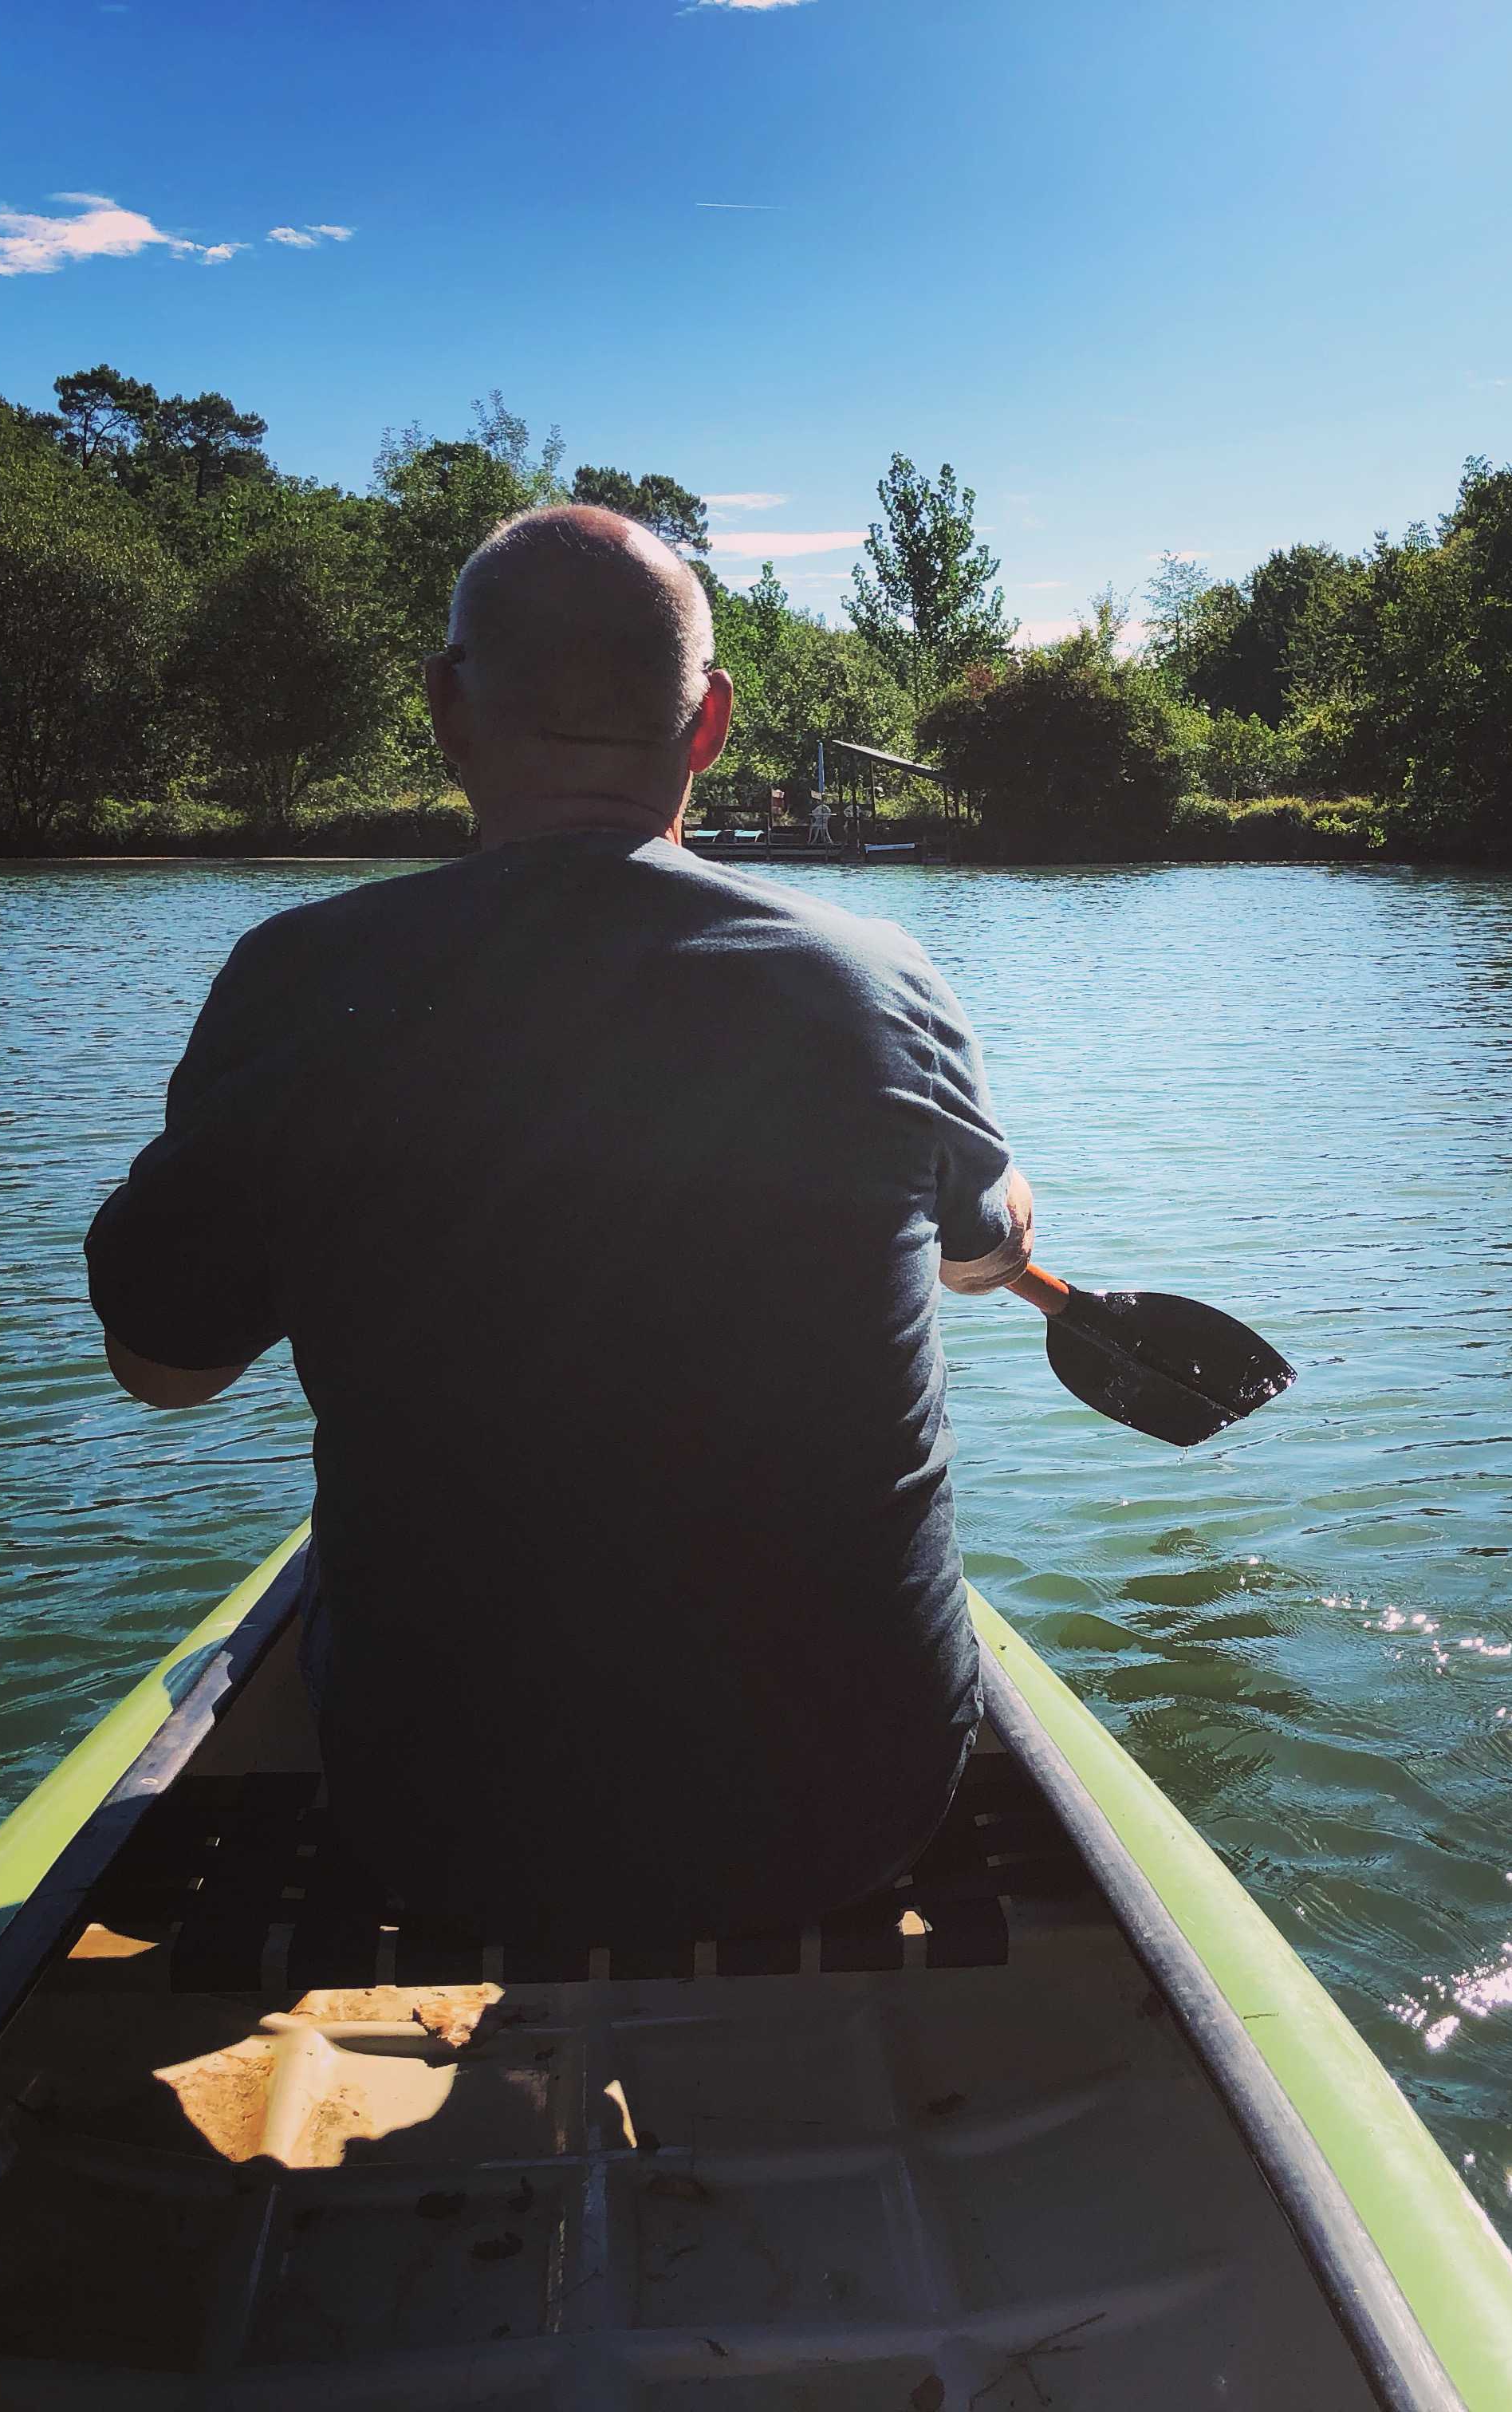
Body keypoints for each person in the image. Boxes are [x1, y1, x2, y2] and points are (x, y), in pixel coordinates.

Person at [85, 506, 1036, 1945]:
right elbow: (979, 1257)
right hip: (854, 1811)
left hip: (443, 1828)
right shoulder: (876, 976)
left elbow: (164, 1371)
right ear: (710, 722)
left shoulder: (301, 977)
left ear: (447, 709)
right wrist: (1003, 1202)